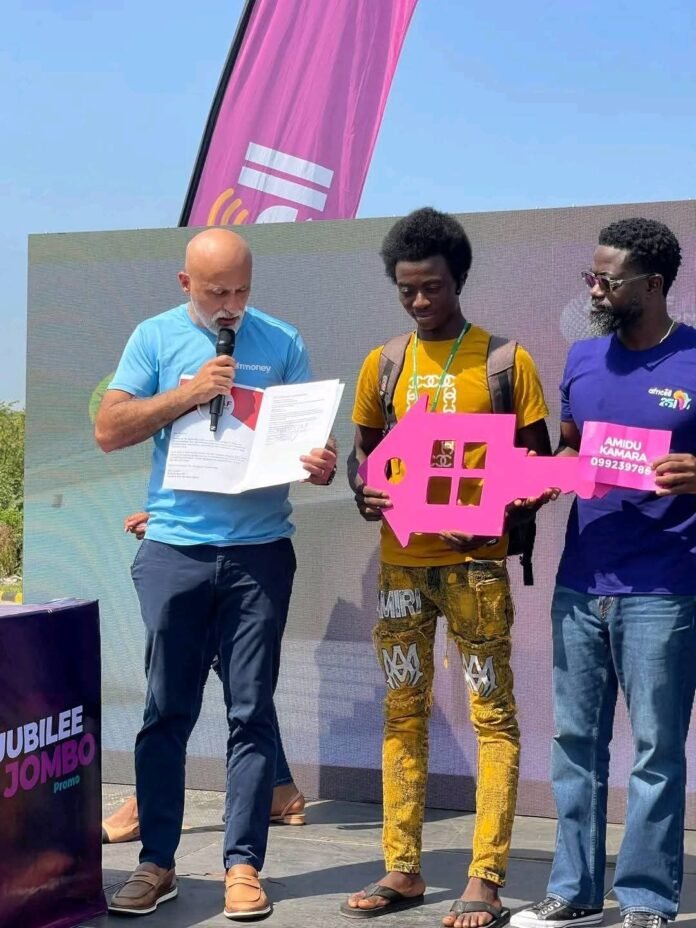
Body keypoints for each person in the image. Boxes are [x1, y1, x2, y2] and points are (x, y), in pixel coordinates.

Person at [95, 228, 336, 920]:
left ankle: (243, 864)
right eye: (215, 292)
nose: (230, 304)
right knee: (166, 710)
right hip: (176, 549)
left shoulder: (281, 341)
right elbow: (109, 429)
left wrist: (319, 462)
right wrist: (189, 393)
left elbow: (308, 440)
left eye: (241, 290)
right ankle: (156, 862)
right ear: (186, 285)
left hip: (260, 552)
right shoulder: (154, 337)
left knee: (250, 711)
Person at [344, 207, 551, 928]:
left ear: (458, 278)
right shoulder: (384, 363)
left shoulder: (504, 361)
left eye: (431, 286)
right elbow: (363, 456)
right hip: (401, 570)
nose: (419, 300)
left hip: (476, 573)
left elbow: (539, 467)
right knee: (402, 714)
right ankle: (401, 869)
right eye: (406, 289)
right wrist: (364, 490)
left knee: (493, 717)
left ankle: (485, 878)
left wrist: (497, 514)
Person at [511, 218, 696, 928]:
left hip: (665, 587)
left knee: (655, 751)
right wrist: (538, 482)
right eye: (590, 276)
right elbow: (569, 450)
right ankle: (575, 890)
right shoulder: (583, 359)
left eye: (607, 280)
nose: (594, 289)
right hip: (581, 582)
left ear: (653, 284)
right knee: (575, 745)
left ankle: (646, 898)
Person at [101, 511, 306, 846]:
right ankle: (277, 785)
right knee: (221, 678)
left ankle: (148, 807)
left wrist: (179, 519)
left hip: (238, 544)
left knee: (213, 686)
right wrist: (171, 515)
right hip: (192, 542)